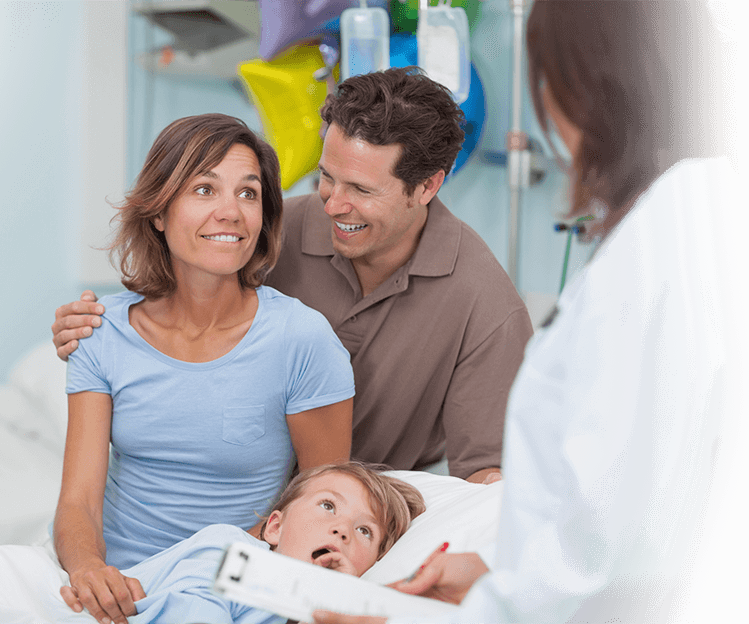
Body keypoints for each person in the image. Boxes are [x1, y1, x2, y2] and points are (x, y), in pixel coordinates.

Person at [312, 0, 748, 622]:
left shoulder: (650, 267)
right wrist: (494, 575)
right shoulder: (688, 226)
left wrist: (410, 614)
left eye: (544, 75)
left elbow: (609, 567)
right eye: (329, 181)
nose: (334, 203)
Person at [51, 67, 535, 485]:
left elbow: (485, 480)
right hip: (222, 495)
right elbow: (173, 311)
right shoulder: (267, 228)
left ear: (428, 186)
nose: (333, 204)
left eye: (362, 189)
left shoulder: (485, 305)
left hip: (340, 523)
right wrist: (88, 324)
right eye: (327, 176)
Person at [55, 114, 355, 624]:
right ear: (158, 212)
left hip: (236, 579)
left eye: (248, 193)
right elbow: (79, 500)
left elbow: (323, 500)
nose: (230, 212)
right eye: (203, 189)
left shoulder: (302, 340)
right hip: (121, 580)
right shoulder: (100, 332)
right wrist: (88, 569)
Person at [0, 463, 425, 624]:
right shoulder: (231, 550)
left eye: (365, 531)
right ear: (276, 528)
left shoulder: (311, 609)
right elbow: (195, 606)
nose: (343, 530)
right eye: (328, 506)